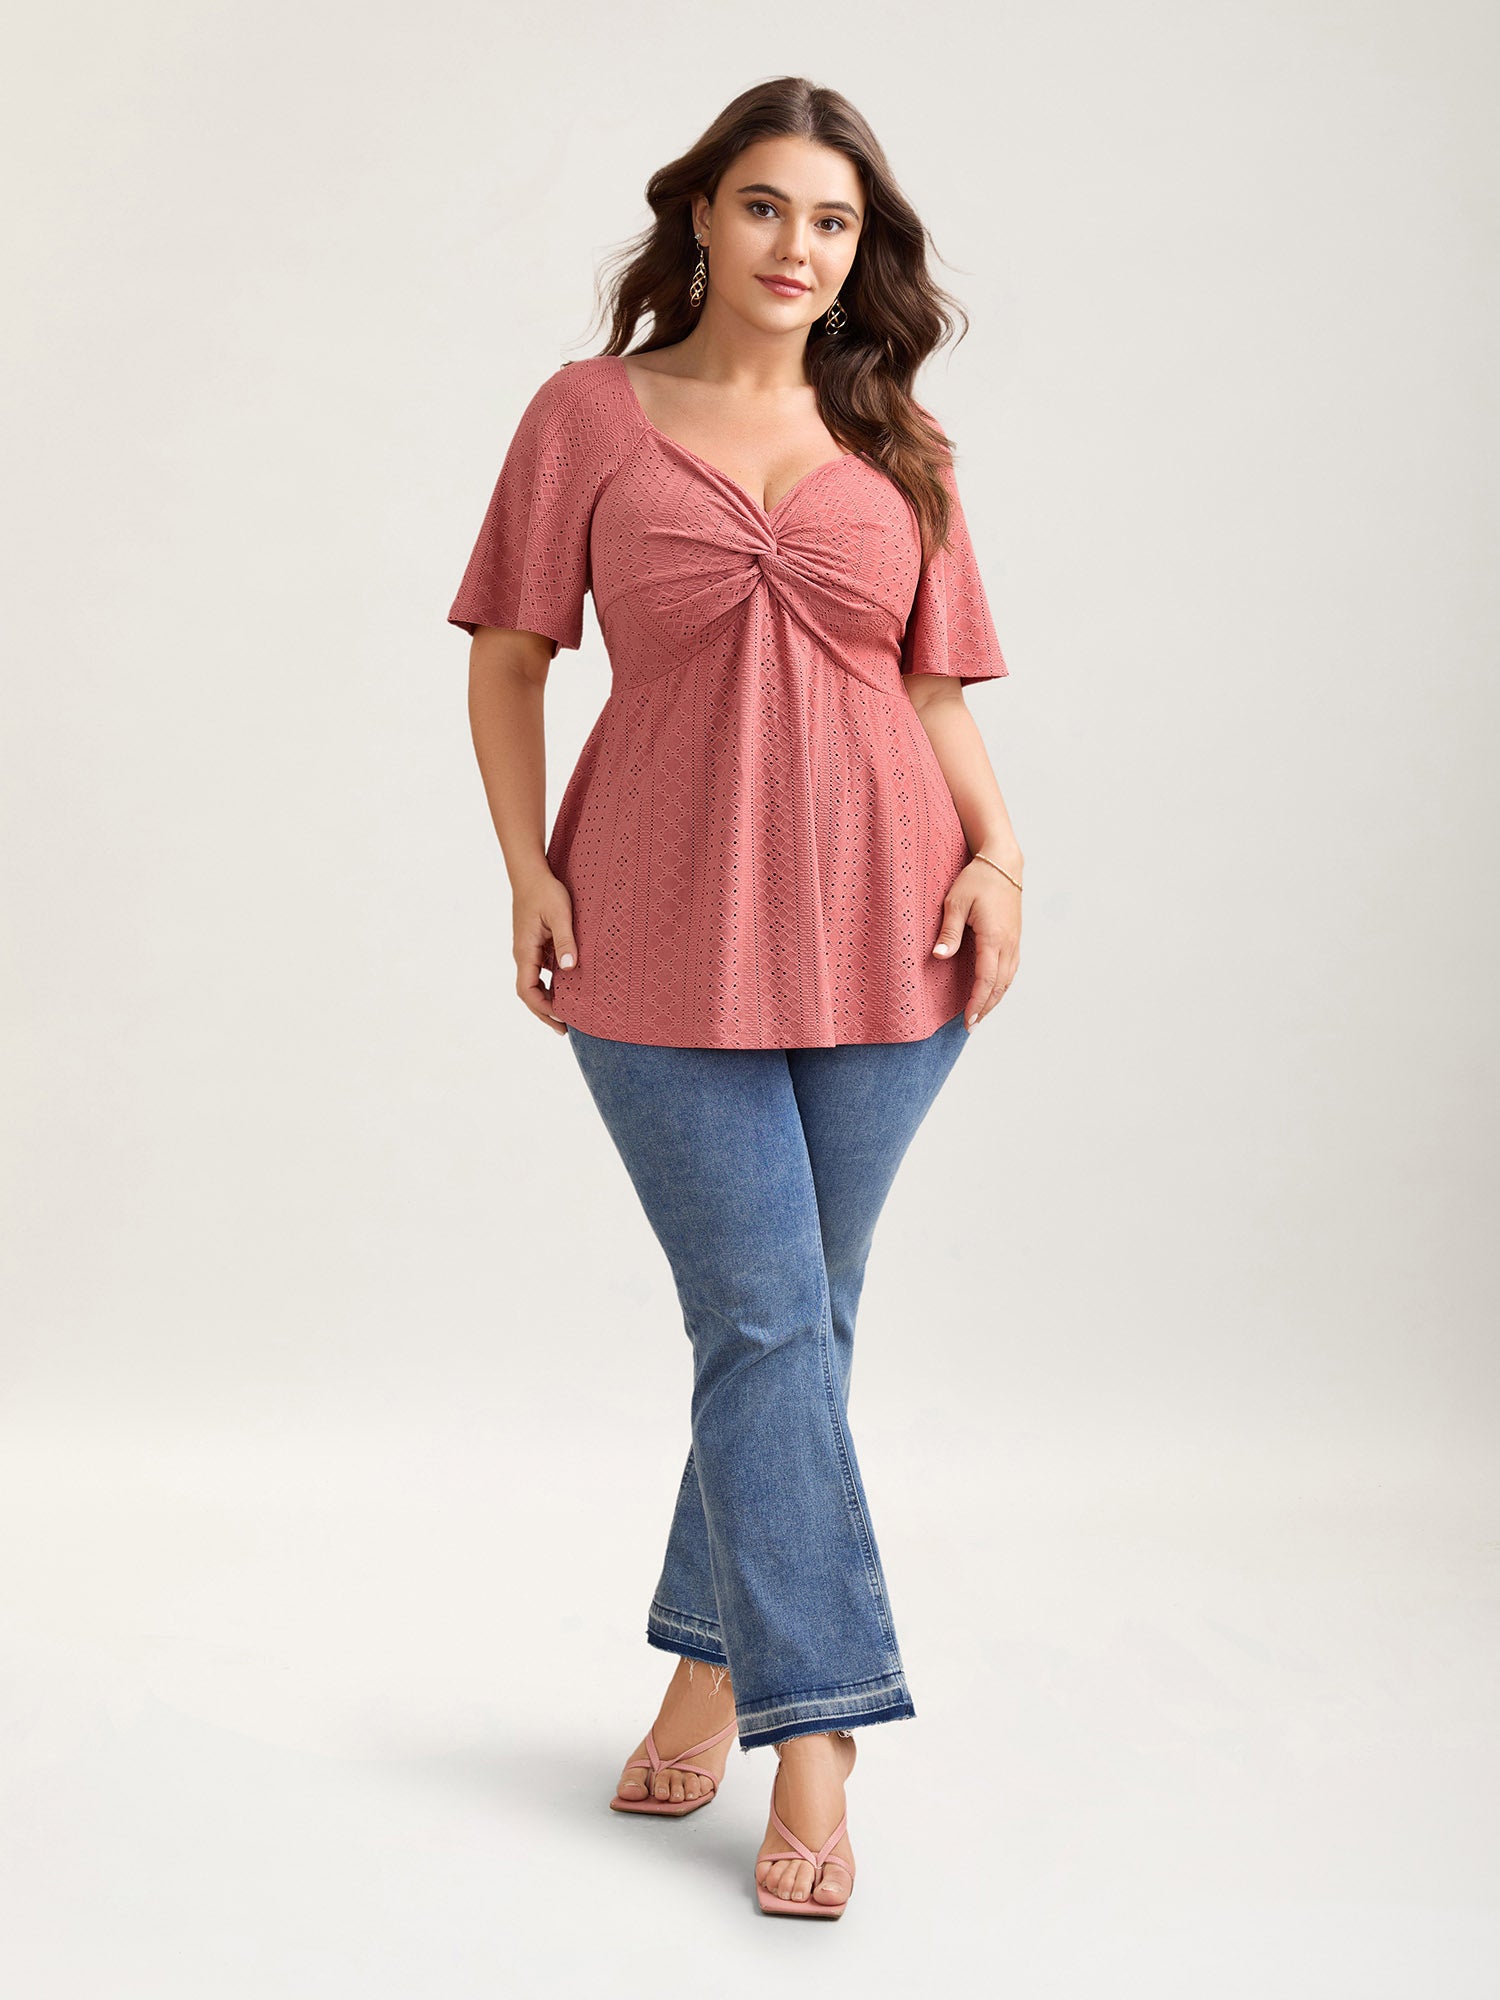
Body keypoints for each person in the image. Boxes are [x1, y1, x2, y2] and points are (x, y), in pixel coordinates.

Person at [447, 76, 1024, 1921]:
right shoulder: (586, 415)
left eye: (833, 221)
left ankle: (712, 1665)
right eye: (766, 206)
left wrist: (1001, 858)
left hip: (891, 927)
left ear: (863, 250)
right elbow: (513, 658)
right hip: (652, 924)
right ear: (700, 214)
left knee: (797, 1324)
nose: (799, 247)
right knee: (771, 1320)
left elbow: (933, 690)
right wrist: (527, 865)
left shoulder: (900, 435)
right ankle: (818, 1736)